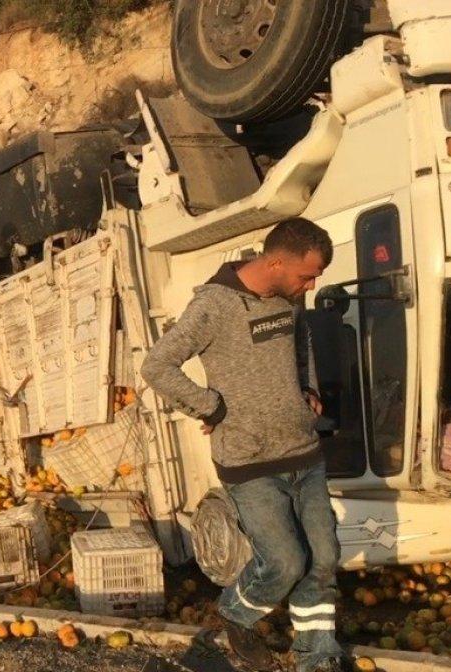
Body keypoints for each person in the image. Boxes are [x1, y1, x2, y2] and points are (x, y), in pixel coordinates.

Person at [140, 217, 343, 672]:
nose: (312, 284)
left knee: (324, 560)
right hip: (250, 461)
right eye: (306, 275)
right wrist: (208, 408)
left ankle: (316, 655)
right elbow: (158, 366)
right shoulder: (214, 307)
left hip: (303, 452)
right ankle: (235, 615)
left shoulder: (290, 300)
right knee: (286, 562)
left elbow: (300, 340)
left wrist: (306, 387)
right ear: (274, 262)